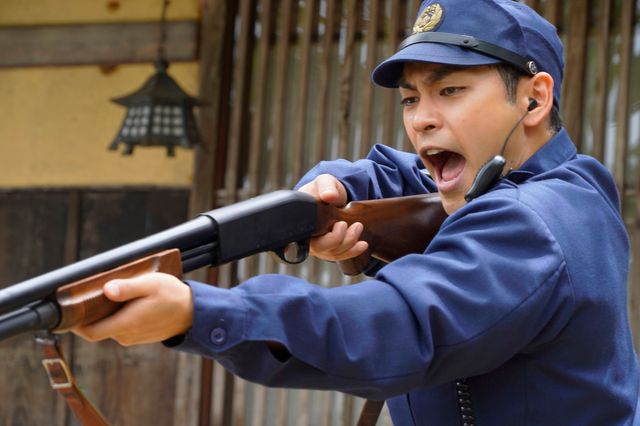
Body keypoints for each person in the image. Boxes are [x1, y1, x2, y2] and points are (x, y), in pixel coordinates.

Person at [72, 0, 640, 424]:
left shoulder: (534, 222)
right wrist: (329, 192)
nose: (420, 119)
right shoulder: (512, 186)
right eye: (412, 99)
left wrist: (199, 313)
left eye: (451, 91)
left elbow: (402, 325)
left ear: (534, 99)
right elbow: (397, 175)